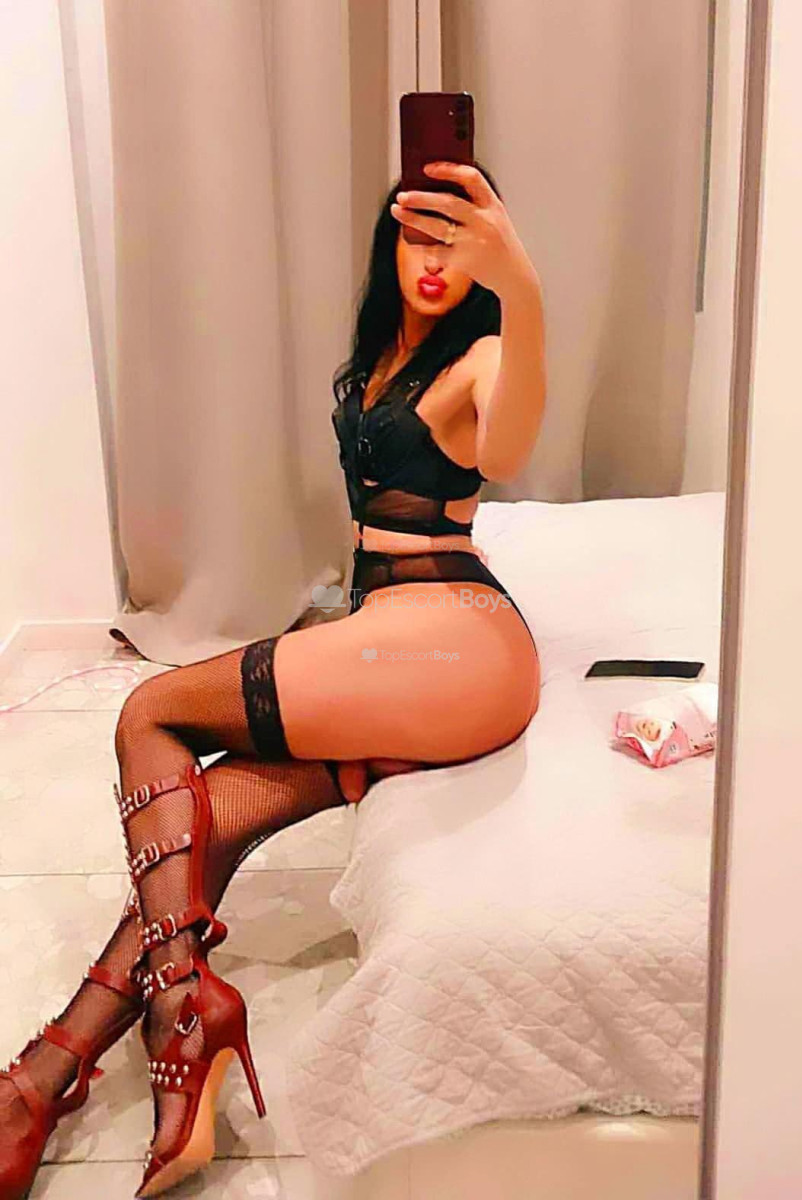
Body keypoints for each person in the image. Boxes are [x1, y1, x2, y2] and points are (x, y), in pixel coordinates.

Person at [0, 160, 545, 1199]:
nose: (435, 260)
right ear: (388, 241)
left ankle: (178, 1008)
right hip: (404, 643)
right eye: (417, 234)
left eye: (458, 241)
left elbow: (512, 440)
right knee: (201, 821)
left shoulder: (483, 356)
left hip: (459, 642)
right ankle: (41, 1079)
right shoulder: (386, 354)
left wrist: (522, 287)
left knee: (150, 711)